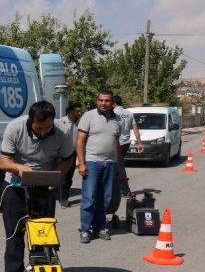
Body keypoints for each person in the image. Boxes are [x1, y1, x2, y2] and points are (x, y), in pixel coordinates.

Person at [0, 100, 74, 272]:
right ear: (30, 122)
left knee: (43, 234)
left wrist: (56, 176)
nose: (43, 132)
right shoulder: (15, 128)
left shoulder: (62, 131)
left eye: (47, 127)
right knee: (14, 236)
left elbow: (68, 159)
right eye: (39, 128)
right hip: (15, 187)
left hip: (45, 186)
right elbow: (3, 162)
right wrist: (19, 168)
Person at [76, 89, 121, 244]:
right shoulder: (88, 116)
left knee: (105, 198)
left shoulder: (117, 119)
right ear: (97, 101)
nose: (103, 103)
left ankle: (100, 227)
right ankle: (85, 229)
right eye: (101, 100)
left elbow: (116, 143)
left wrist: (118, 165)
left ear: (112, 102)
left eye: (107, 101)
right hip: (92, 162)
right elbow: (80, 141)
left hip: (110, 163)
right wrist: (81, 163)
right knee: (89, 198)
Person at [113, 95, 143, 195]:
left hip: (116, 143)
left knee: (119, 167)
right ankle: (117, 188)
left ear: (113, 103)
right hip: (125, 143)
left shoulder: (112, 113)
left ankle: (125, 189)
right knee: (117, 166)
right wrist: (139, 143)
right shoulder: (129, 113)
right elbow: (135, 129)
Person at [57, 103, 83, 207]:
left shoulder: (81, 122)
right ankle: (60, 197)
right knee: (61, 176)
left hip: (73, 153)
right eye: (77, 111)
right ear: (71, 111)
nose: (79, 113)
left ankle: (64, 197)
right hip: (62, 153)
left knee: (68, 178)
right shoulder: (61, 121)